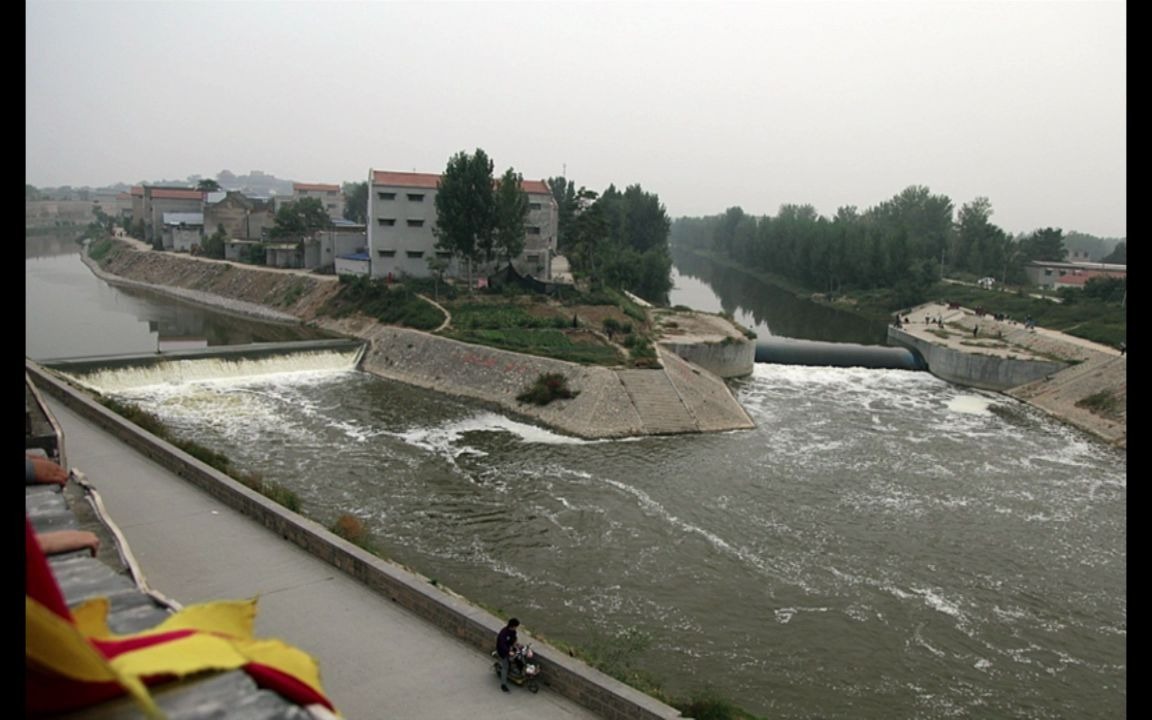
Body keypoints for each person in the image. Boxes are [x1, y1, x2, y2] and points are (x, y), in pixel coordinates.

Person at [495, 617, 520, 692]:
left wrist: (516, 645)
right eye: (515, 626)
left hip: (510, 648)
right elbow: (502, 645)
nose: (516, 628)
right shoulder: (503, 633)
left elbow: (514, 639)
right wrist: (508, 651)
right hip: (503, 651)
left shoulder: (513, 631)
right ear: (512, 626)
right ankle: (503, 684)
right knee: (505, 667)